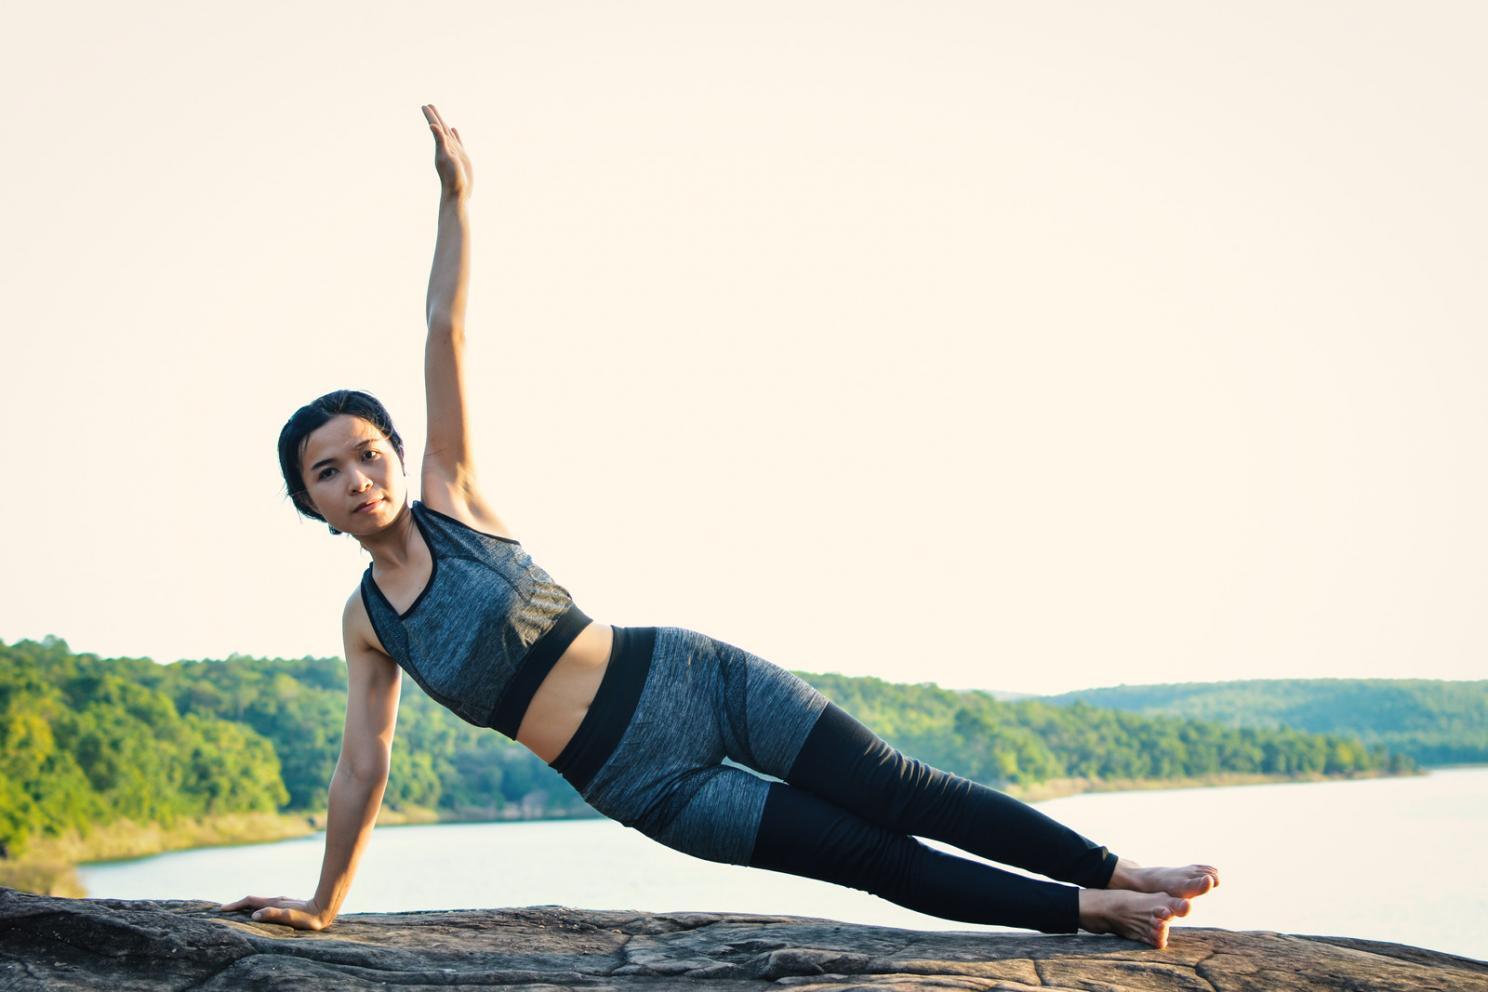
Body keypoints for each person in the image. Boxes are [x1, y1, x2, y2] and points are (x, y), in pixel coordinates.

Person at [220, 104, 1219, 950]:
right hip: (647, 782)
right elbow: (363, 765)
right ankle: (1096, 910)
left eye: (367, 453)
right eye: (327, 472)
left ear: (397, 455)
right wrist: (324, 903)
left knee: (904, 789)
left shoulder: (452, 493)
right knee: (869, 857)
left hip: (695, 678)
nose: (357, 478)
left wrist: (457, 199)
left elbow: (446, 327)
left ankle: (1120, 868)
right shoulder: (369, 623)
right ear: (311, 504)